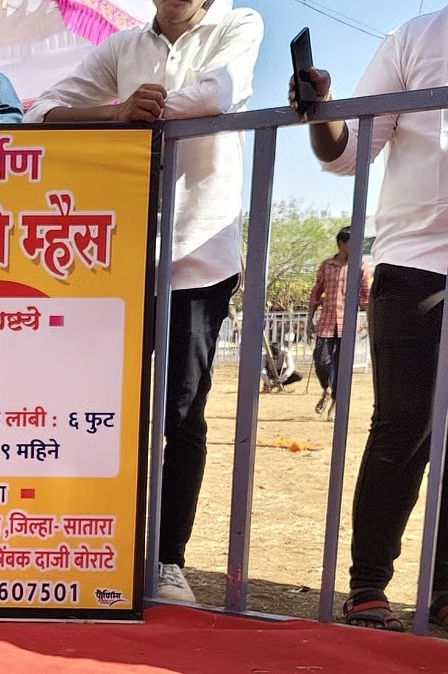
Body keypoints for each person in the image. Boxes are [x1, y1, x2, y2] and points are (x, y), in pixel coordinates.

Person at [25, 0, 263, 602]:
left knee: (181, 412)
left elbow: (218, 95)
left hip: (198, 256)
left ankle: (168, 560)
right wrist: (113, 112)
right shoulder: (123, 48)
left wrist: (135, 113)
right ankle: (106, 550)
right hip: (122, 257)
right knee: (106, 409)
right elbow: (40, 110)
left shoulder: (240, 25)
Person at [290, 7, 448, 632]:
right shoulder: (414, 37)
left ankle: (444, 591)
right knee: (403, 428)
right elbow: (348, 152)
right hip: (416, 262)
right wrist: (318, 113)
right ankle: (369, 585)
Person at [306, 226, 371, 420]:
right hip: (326, 321)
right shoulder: (327, 265)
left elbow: (367, 296)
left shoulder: (361, 267)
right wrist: (309, 319)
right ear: (342, 244)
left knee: (342, 366)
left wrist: (370, 321)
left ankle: (335, 403)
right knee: (321, 360)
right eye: (352, 242)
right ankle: (327, 389)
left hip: (348, 324)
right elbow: (316, 292)